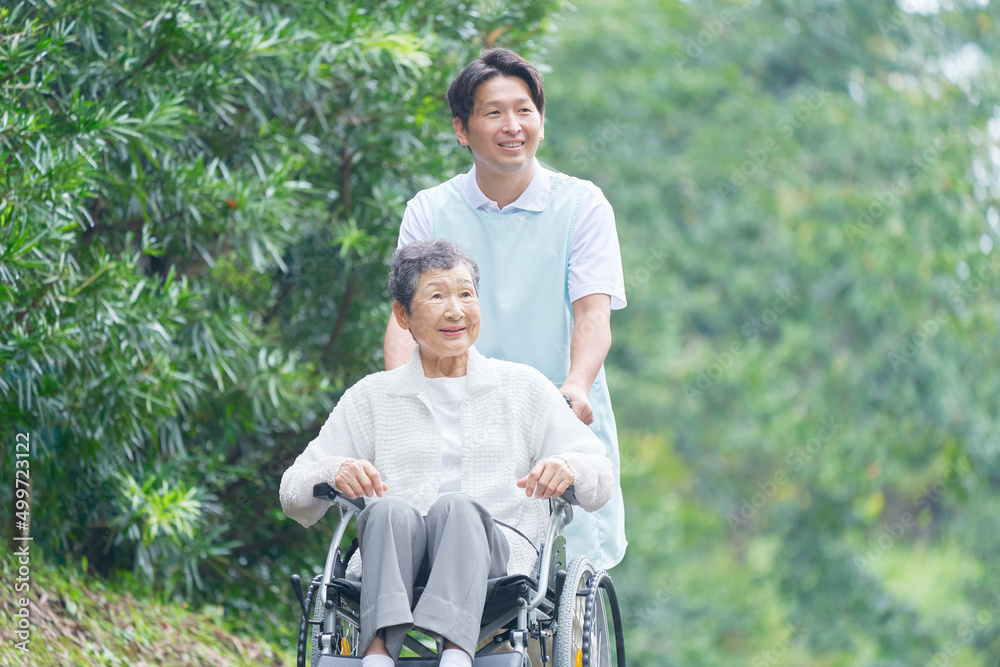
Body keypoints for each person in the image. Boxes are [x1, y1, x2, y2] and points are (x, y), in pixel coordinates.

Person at [281, 240, 612, 667]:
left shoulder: (523, 388)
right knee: (386, 510)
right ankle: (378, 653)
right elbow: (293, 490)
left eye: (466, 294)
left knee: (457, 508)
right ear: (403, 315)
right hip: (393, 566)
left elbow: (599, 474)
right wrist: (335, 468)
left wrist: (567, 466)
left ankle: (456, 653)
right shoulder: (373, 397)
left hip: (496, 566)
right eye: (437, 296)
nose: (456, 310)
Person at [383, 48, 627, 571]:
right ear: (461, 129)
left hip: (554, 419)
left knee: (555, 591)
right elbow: (405, 323)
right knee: (440, 555)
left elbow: (593, 314)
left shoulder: (582, 206)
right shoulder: (429, 211)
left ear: (541, 120)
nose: (512, 125)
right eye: (493, 112)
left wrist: (578, 388)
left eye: (524, 110)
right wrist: (401, 398)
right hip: (455, 413)